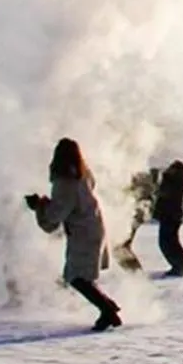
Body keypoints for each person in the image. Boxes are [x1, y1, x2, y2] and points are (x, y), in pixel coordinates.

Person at [26, 137, 121, 331]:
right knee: (81, 275)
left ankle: (107, 311)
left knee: (77, 277)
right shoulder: (83, 174)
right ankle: (108, 307)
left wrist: (39, 206)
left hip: (83, 232)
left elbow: (56, 214)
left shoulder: (65, 182)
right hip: (92, 225)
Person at [154, 160, 183, 276]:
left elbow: (163, 194)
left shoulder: (172, 181)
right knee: (171, 243)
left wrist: (158, 181)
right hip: (172, 214)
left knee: (168, 243)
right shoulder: (177, 181)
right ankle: (182, 266)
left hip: (169, 214)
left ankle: (182, 267)